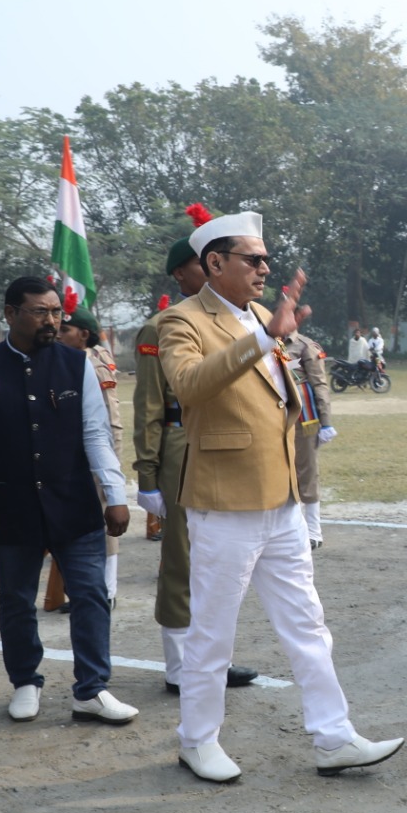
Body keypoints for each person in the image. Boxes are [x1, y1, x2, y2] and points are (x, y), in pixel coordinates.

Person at [158, 210, 403, 782]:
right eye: (253, 259)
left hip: (282, 498)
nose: (264, 268)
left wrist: (273, 336)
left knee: (308, 625)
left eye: (266, 259)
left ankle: (334, 737)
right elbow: (190, 385)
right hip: (224, 501)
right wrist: (266, 338)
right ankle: (197, 740)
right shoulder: (182, 320)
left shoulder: (263, 317)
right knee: (213, 633)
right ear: (215, 263)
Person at [0, 276, 139, 728]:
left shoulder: (76, 363)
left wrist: (114, 494)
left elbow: (95, 432)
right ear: (10, 314)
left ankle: (91, 689)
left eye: (56, 312)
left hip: (73, 501)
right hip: (10, 503)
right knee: (15, 599)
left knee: (91, 595)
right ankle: (25, 681)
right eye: (40, 312)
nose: (51, 320)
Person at [133, 224, 258, 695]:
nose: (209, 271)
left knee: (222, 560)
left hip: (223, 448)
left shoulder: (235, 320)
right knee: (183, 558)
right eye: (198, 265)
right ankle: (180, 665)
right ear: (181, 275)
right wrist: (147, 474)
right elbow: (149, 405)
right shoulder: (161, 326)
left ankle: (214, 658)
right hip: (181, 447)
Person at [57, 300, 124, 605]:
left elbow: (111, 419)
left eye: (65, 329)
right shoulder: (62, 361)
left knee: (103, 520)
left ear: (84, 335)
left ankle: (107, 589)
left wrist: (112, 460)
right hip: (69, 456)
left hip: (95, 454)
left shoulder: (93, 365)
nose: (58, 334)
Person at [283, 326, 336, 548]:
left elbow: (319, 383)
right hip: (276, 417)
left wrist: (326, 422)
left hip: (304, 418)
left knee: (307, 471)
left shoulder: (305, 346)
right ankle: (293, 528)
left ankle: (314, 532)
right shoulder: (267, 342)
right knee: (284, 474)